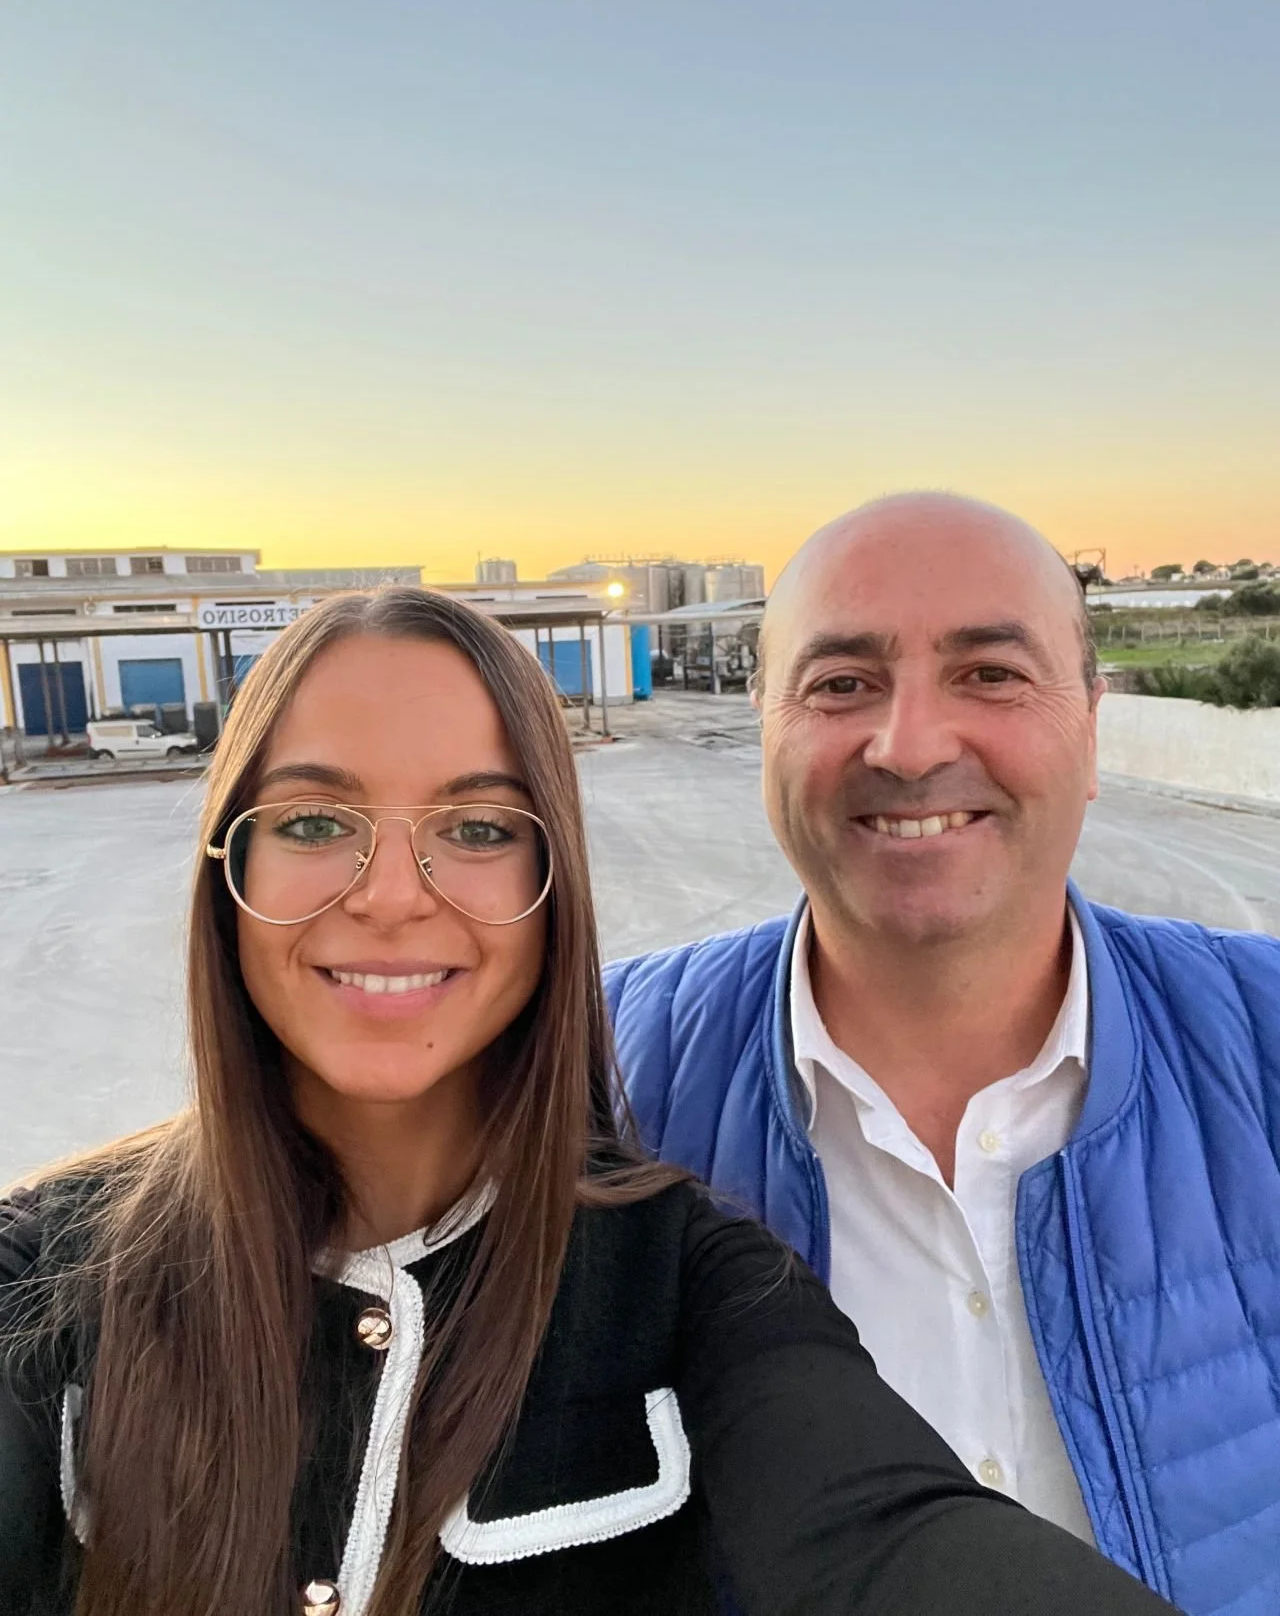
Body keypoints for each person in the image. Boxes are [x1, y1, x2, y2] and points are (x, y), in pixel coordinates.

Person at [0, 586, 1177, 1616]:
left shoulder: (689, 1286)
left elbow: (891, 1540)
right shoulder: (41, 1275)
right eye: (315, 822)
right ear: (229, 867)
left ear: (551, 876)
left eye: (476, 827)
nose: (394, 895)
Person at [606, 493, 1280, 1616]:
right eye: (838, 683)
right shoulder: (597, 1076)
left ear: (1091, 727)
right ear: (763, 732)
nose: (909, 742)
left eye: (989, 674)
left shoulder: (1257, 1042)